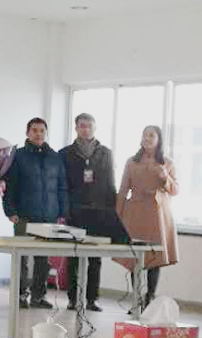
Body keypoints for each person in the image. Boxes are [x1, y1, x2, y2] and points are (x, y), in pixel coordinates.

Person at [3, 117, 66, 310]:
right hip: (23, 214)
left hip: (48, 216)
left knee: (43, 260)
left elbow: (61, 187)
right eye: (34, 130)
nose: (38, 134)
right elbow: (9, 186)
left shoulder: (55, 157)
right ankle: (20, 295)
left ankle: (38, 296)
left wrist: (62, 212)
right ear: (27, 133)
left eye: (42, 130)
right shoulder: (18, 156)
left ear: (46, 133)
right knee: (21, 258)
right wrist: (10, 211)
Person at [116, 125, 179, 309]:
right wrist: (117, 216)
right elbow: (123, 190)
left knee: (154, 257)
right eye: (144, 135)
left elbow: (175, 190)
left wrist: (165, 177)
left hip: (158, 215)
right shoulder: (131, 162)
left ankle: (149, 298)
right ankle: (136, 299)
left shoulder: (168, 162)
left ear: (159, 140)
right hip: (135, 213)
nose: (147, 138)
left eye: (151, 135)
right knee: (135, 257)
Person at [61, 113, 116, 311]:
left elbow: (110, 183)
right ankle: (73, 298)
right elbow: (62, 185)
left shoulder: (105, 153)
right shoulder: (65, 153)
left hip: (98, 212)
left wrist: (111, 211)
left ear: (95, 128)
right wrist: (64, 210)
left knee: (95, 257)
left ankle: (92, 299)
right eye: (82, 126)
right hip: (74, 211)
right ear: (76, 128)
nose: (85, 129)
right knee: (74, 256)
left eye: (89, 126)